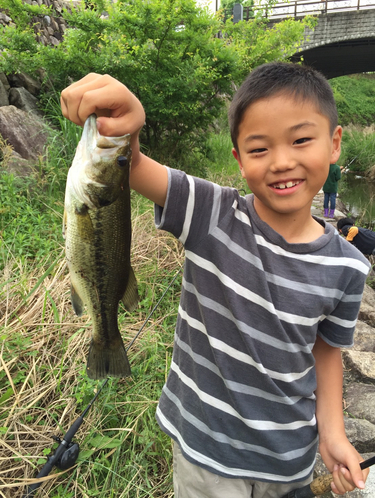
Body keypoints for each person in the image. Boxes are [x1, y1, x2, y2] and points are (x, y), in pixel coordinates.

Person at [60, 62, 370, 497]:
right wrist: (126, 121)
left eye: (301, 140)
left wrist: (333, 432)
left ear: (335, 143)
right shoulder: (211, 213)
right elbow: (128, 167)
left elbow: (327, 352)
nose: (283, 162)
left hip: (290, 460)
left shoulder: (350, 267)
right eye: (259, 149)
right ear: (239, 160)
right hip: (205, 452)